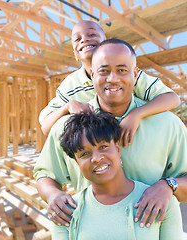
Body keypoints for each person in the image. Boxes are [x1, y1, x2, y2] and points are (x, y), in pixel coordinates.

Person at [34, 39, 187, 234]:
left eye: (122, 70)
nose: (112, 79)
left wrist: (168, 186)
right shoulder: (68, 127)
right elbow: (44, 173)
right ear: (92, 74)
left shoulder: (167, 124)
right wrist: (52, 194)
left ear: (135, 74)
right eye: (104, 71)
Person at [39, 21, 180, 148]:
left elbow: (172, 98)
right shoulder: (70, 85)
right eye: (77, 38)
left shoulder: (128, 76)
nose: (85, 39)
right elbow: (46, 127)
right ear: (75, 53)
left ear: (105, 44)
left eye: (92, 34)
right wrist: (67, 107)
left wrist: (136, 114)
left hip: (134, 143)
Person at [53, 111, 183, 239]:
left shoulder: (160, 201)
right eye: (84, 154)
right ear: (77, 162)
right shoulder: (66, 212)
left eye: (103, 146)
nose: (96, 158)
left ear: (118, 149)